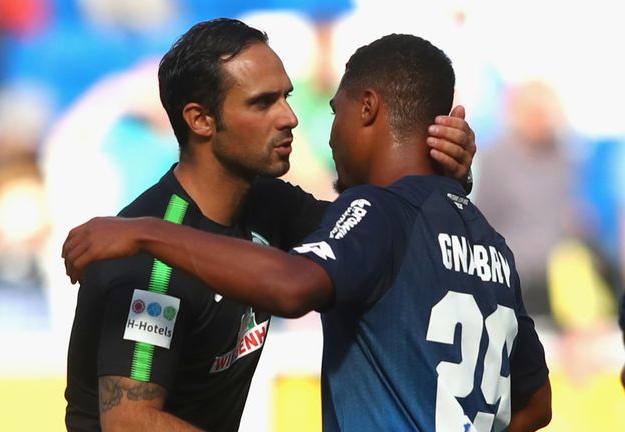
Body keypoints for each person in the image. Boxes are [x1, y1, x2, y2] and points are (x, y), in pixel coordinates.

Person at [63, 33, 552, 431]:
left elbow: (386, 236)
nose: (291, 118)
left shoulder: (268, 208)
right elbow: (129, 421)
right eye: (263, 102)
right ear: (201, 120)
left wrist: (440, 181)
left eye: (288, 97)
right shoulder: (152, 259)